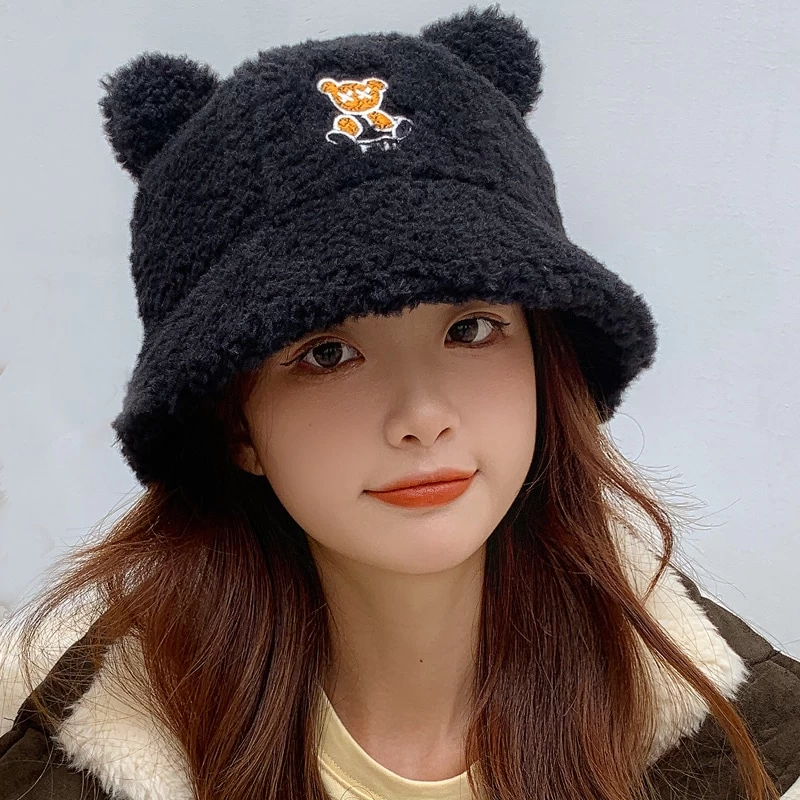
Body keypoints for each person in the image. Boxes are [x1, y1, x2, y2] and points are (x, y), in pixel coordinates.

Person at [1, 5, 798, 799]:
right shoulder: (65, 755)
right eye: (327, 353)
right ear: (234, 423)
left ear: (544, 358)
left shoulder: (729, 736)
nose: (422, 415)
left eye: (472, 329)